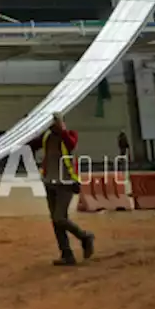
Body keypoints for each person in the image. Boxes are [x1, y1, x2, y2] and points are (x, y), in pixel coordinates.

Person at [35, 113, 95, 266]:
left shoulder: (69, 135)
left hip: (66, 183)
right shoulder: (46, 136)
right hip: (50, 182)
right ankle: (66, 254)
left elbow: (70, 144)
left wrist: (61, 128)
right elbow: (32, 144)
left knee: (59, 218)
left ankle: (85, 236)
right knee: (57, 221)